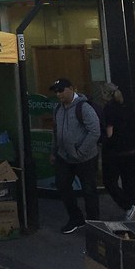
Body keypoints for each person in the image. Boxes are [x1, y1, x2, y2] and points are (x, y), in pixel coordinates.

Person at [50, 78, 101, 233]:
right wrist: (54, 152)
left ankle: (94, 223)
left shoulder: (83, 107)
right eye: (56, 91)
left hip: (85, 158)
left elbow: (94, 131)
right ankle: (76, 218)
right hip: (64, 156)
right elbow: (56, 131)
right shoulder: (58, 109)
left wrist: (81, 151)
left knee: (89, 190)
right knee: (62, 185)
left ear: (72, 89)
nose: (59, 94)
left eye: (61, 90)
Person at [101, 82, 135, 220]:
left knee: (109, 182)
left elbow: (110, 133)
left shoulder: (109, 109)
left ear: (105, 95)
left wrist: (103, 143)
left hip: (116, 152)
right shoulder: (126, 107)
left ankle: (129, 207)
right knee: (131, 183)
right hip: (131, 149)